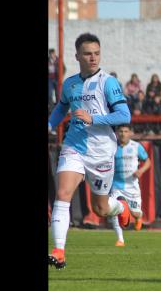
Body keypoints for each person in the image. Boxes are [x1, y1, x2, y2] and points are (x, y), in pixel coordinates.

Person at [47, 33, 132, 269]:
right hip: (74, 146)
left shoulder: (108, 82)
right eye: (87, 53)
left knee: (101, 208)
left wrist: (93, 118)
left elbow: (125, 116)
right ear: (77, 56)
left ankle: (121, 207)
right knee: (62, 194)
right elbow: (61, 108)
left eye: (96, 53)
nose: (93, 58)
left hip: (102, 152)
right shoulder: (70, 84)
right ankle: (59, 250)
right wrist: (49, 124)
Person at [108, 124, 152, 244]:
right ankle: (120, 239)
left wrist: (141, 171)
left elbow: (148, 161)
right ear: (117, 133)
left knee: (135, 213)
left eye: (126, 131)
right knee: (114, 211)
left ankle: (138, 217)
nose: (123, 134)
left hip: (132, 187)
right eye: (121, 131)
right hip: (116, 185)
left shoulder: (136, 146)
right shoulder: (112, 147)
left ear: (131, 133)